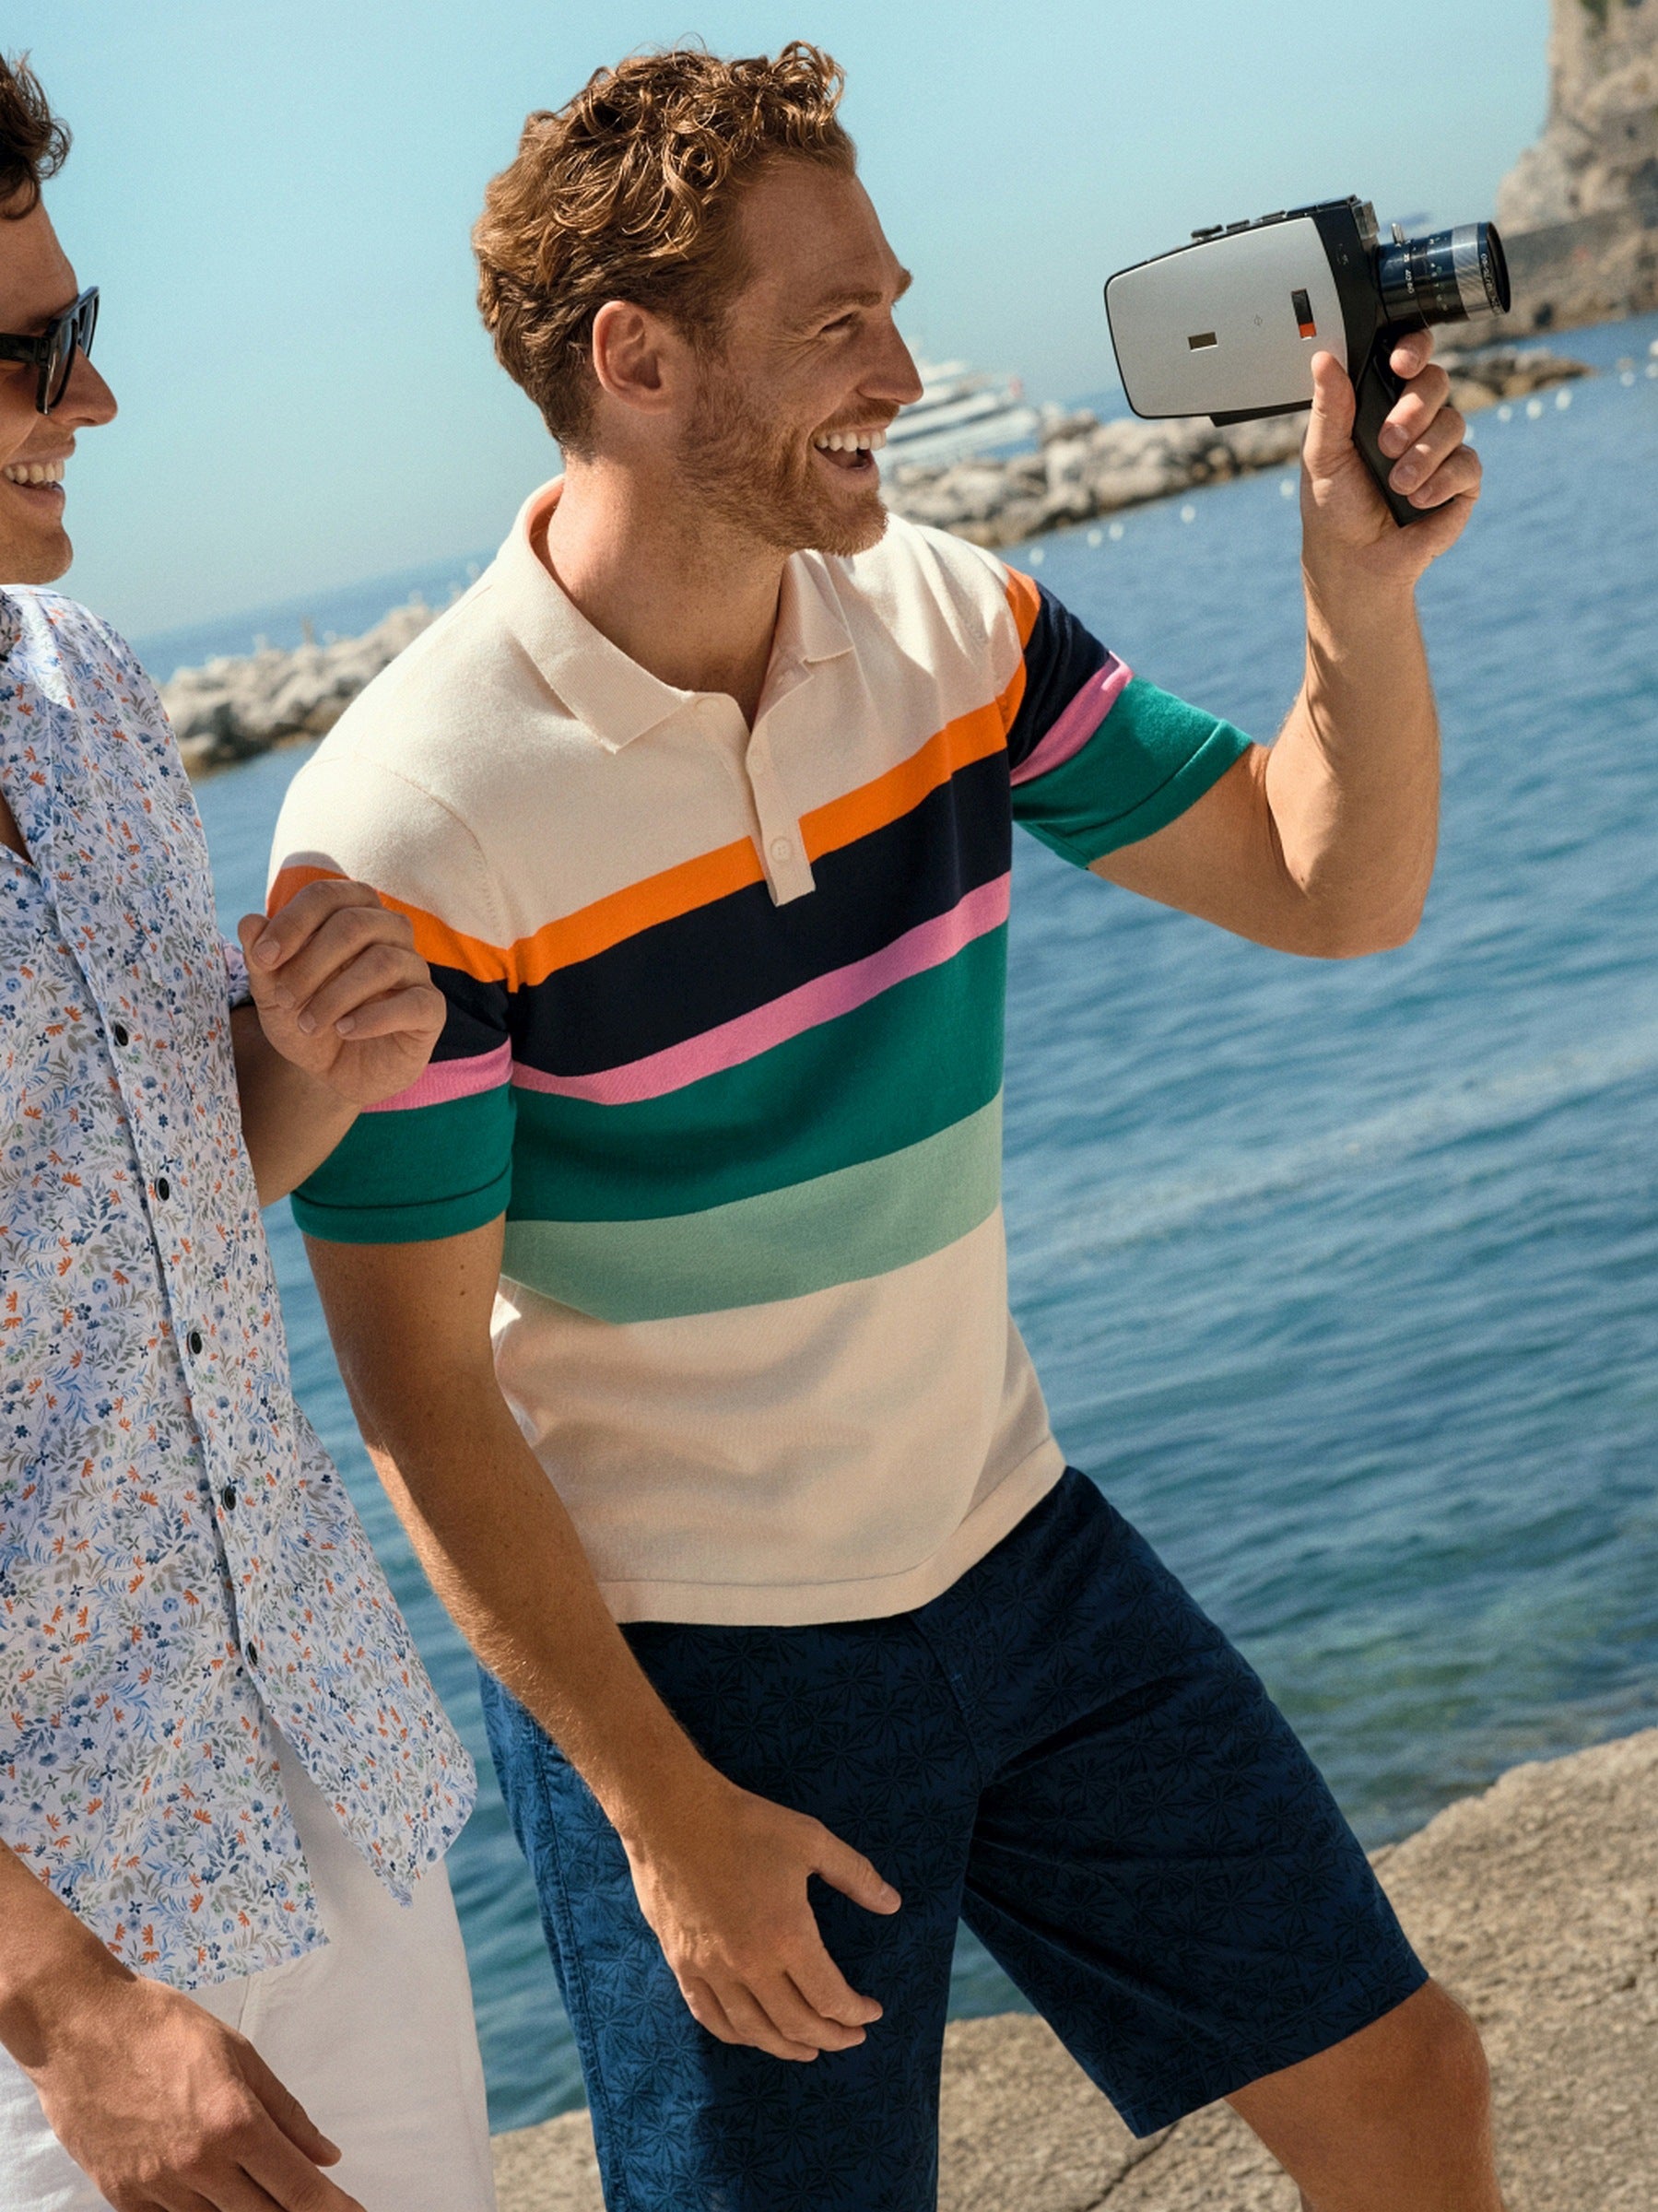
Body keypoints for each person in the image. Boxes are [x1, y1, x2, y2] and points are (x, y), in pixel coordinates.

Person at [272, 41, 1504, 2212]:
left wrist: (1358, 596)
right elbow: (416, 1396)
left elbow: (1334, 889)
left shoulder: (958, 627)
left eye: (896, 304)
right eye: (837, 323)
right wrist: (662, 1814)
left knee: (1407, 2083)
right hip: (704, 1674)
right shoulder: (414, 818)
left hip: (1021, 1552)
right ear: (636, 358)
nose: (907, 371)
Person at [0, 53, 497, 2212]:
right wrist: (63, 2003)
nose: (92, 403)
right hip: (55, 1934)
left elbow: (170, 1196)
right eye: (36, 353)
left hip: (315, 1778)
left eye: (79, 330)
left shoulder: (84, 685)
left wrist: (314, 1055)